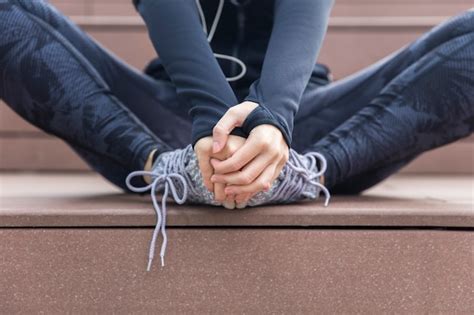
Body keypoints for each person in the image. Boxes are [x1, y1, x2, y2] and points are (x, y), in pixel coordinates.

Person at [1, 0, 472, 270]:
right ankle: (167, 169)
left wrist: (273, 120)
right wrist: (210, 120)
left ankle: (303, 173)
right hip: (170, 122)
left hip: (307, 124)